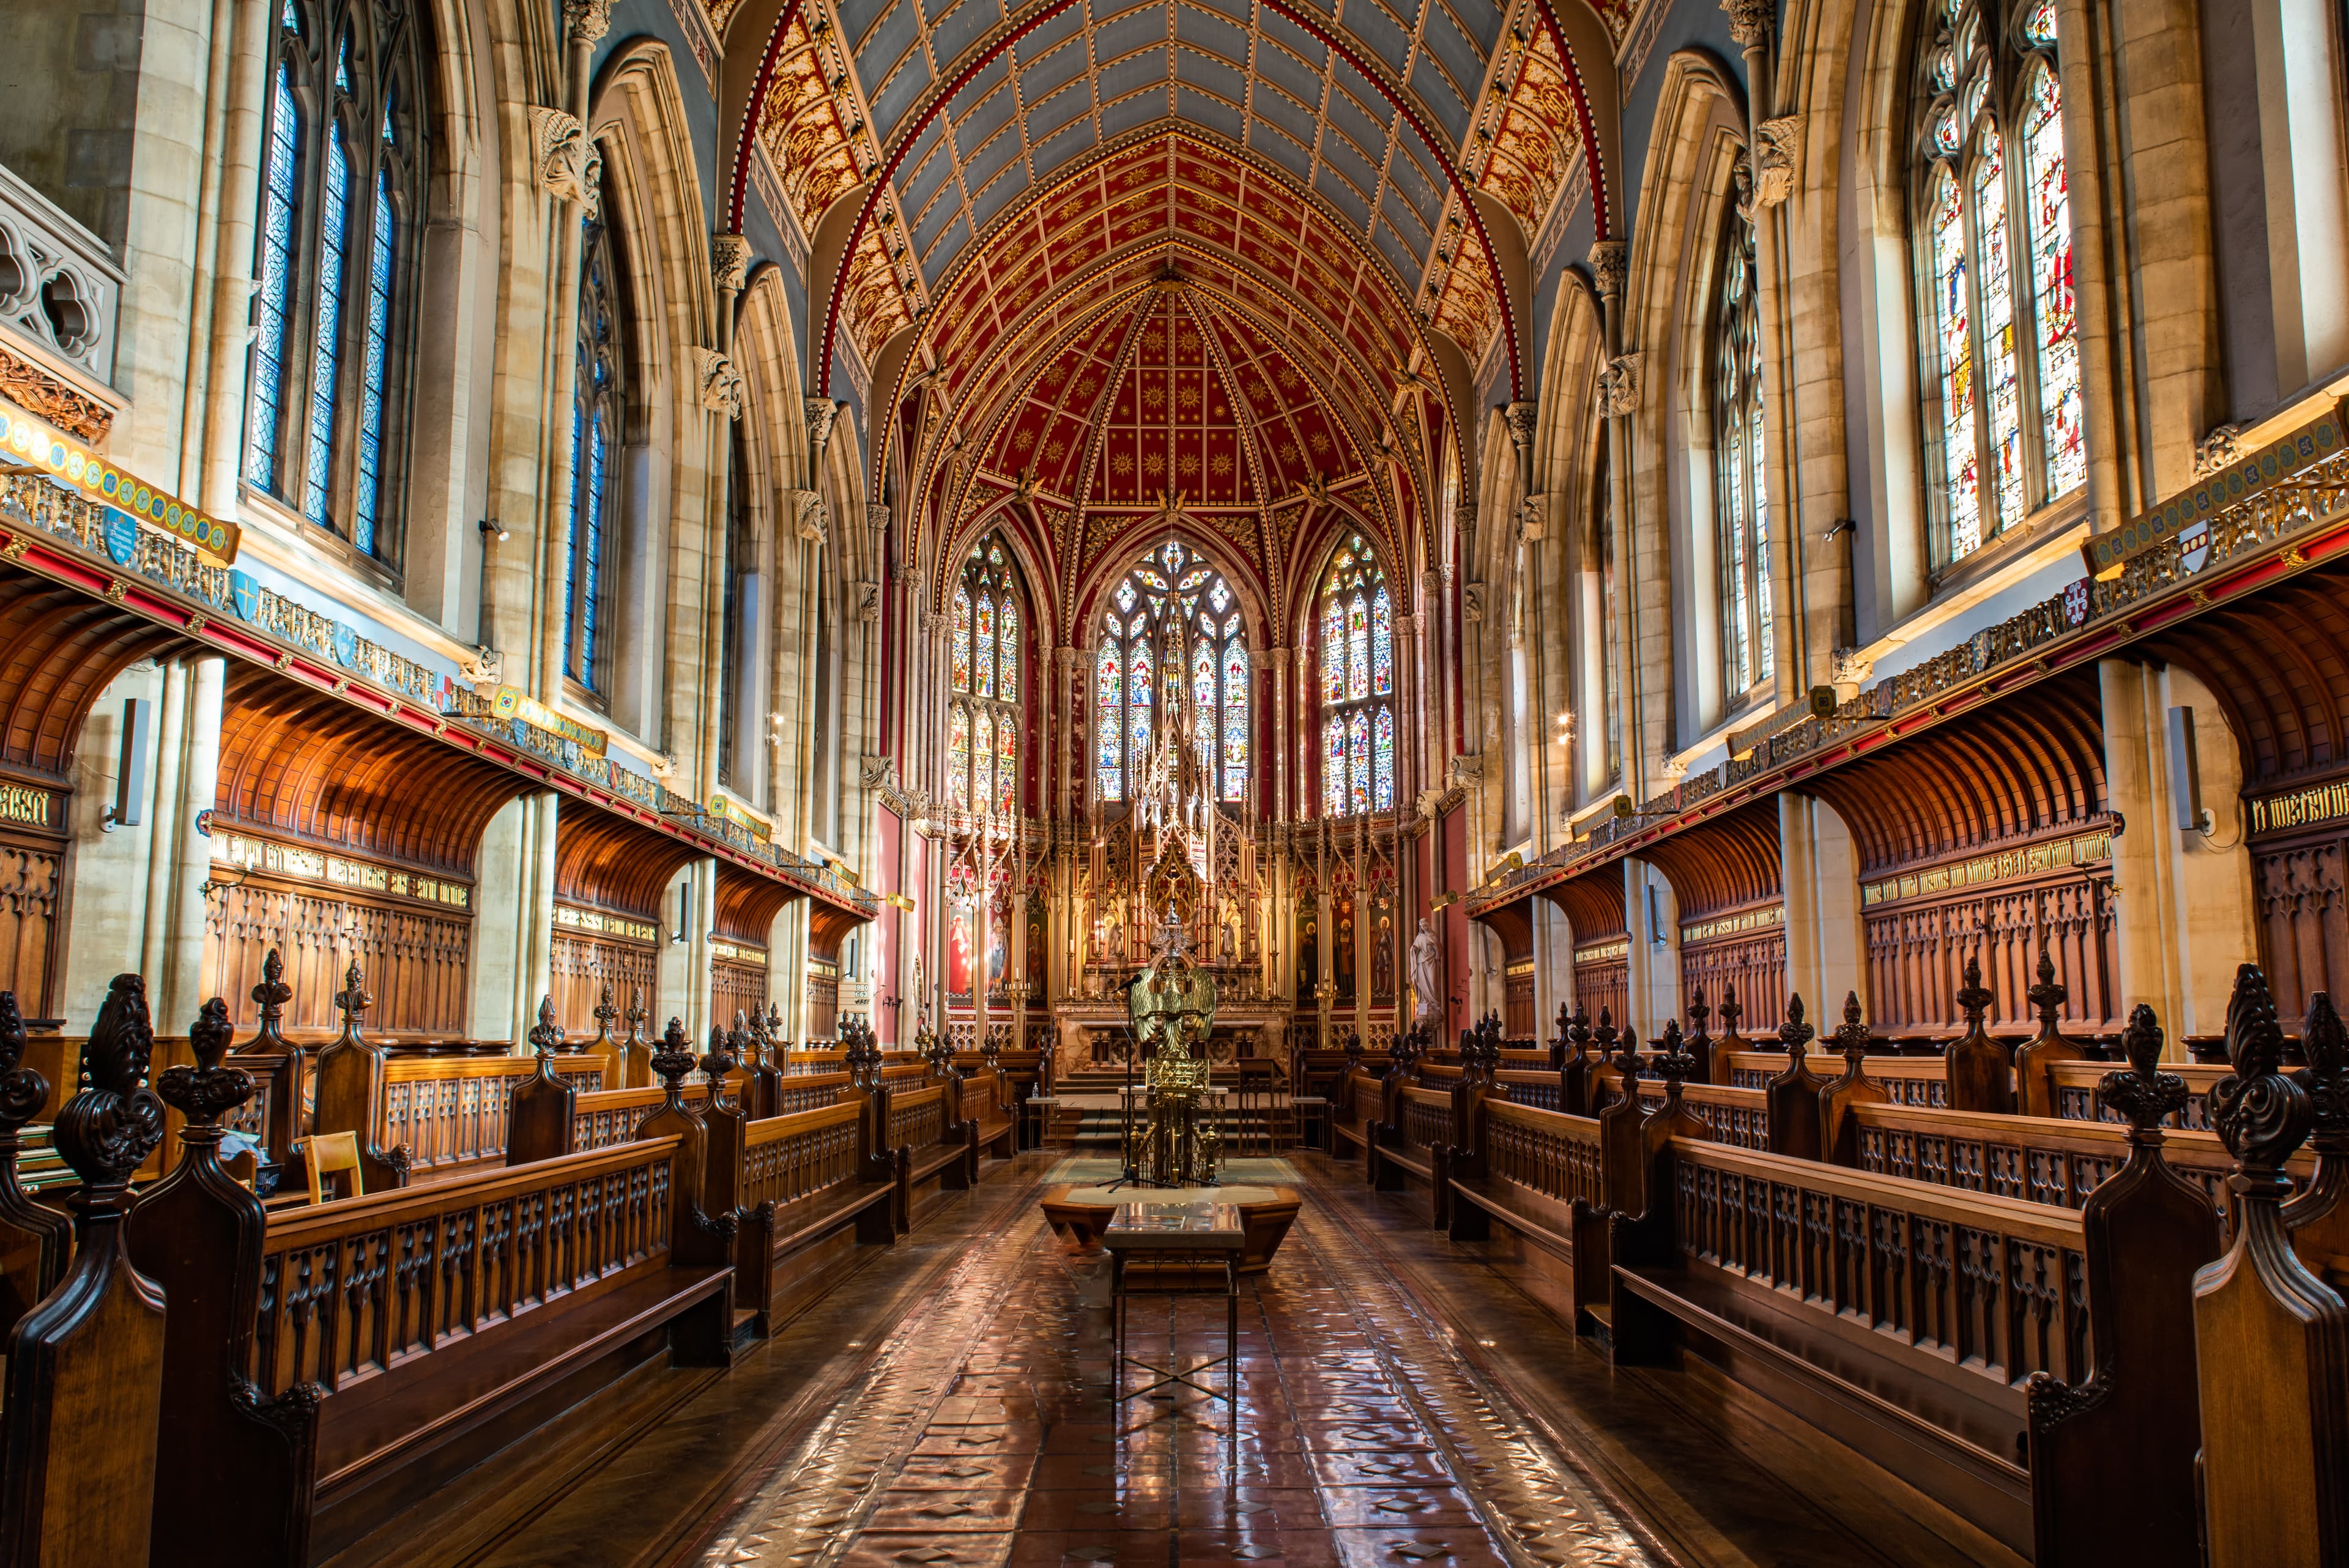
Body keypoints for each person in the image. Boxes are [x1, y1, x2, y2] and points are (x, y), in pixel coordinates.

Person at [1409, 916, 1441, 1023]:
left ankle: (1434, 1003)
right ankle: (1425, 1001)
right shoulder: (1419, 937)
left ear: (1428, 925)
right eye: (1422, 926)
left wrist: (1435, 947)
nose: (1423, 927)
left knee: (1432, 982)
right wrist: (1413, 949)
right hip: (1421, 963)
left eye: (1425, 925)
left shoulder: (1433, 936)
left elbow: (1440, 949)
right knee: (1422, 984)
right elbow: (1414, 948)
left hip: (1431, 962)